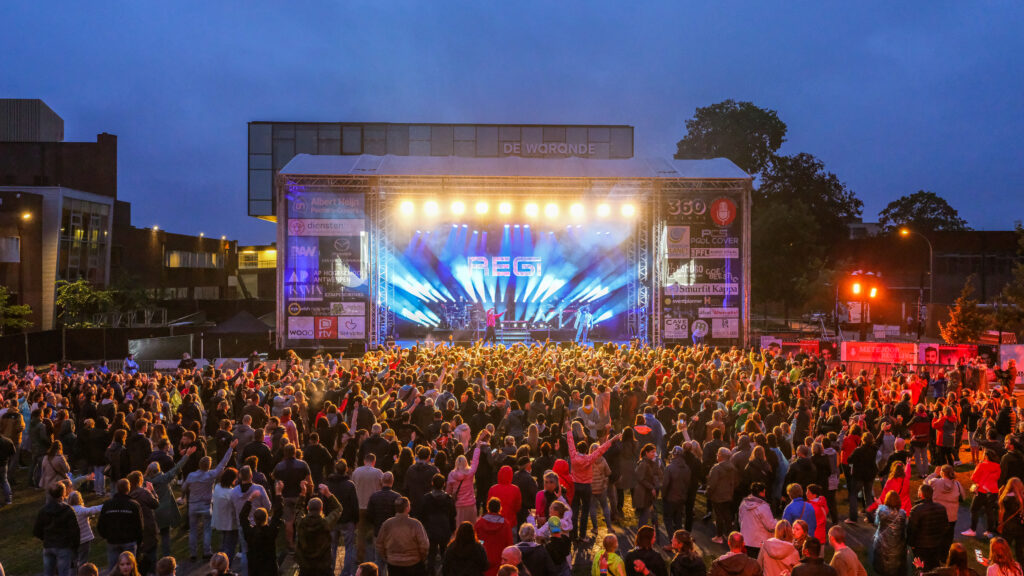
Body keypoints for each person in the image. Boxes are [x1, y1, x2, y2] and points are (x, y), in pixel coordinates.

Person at [181, 440, 236, 561]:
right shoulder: (211, 475)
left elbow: (184, 487)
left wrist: (184, 495)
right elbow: (223, 463)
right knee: (207, 529)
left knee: (193, 530)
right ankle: (207, 551)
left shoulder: (191, 476)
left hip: (193, 505)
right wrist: (230, 448)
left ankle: (193, 553)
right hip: (206, 505)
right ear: (209, 466)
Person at [295, 484, 343, 576]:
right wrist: (328, 494)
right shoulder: (326, 523)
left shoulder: (301, 523)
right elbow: (338, 509)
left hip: (305, 568)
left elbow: (297, 509)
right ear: (321, 509)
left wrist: (302, 494)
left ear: (308, 508)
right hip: (323, 568)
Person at [34, 482, 80, 576]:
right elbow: (75, 532)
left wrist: (46, 538)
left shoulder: (43, 510)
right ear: (63, 493)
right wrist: (74, 547)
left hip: (49, 545)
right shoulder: (68, 510)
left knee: (48, 573)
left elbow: (37, 530)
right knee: (64, 573)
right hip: (63, 546)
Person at [97, 478, 143, 572]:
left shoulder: (107, 504)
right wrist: (138, 541)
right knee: (129, 569)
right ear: (128, 489)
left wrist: (107, 536)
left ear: (117, 488)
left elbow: (101, 524)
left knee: (113, 570)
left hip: (113, 541)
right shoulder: (134, 505)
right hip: (129, 541)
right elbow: (139, 526)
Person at [377, 496, 430, 576]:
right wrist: (422, 558)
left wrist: (387, 557)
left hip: (393, 563)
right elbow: (424, 545)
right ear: (407, 508)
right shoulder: (415, 524)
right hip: (413, 562)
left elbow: (379, 544)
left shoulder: (387, 524)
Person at [238, 485, 284, 576]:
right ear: (267, 518)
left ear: (254, 519)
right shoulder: (270, 532)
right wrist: (278, 494)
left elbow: (242, 517)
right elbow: (278, 514)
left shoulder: (250, 532)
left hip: (254, 568)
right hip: (270, 568)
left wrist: (250, 499)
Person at [908, 483, 949, 571]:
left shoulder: (916, 510)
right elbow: (946, 526)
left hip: (921, 546)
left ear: (921, 494)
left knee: (921, 568)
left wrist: (911, 544)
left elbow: (912, 530)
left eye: (919, 491)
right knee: (934, 567)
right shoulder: (941, 508)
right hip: (936, 544)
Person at [421, 474, 456, 576]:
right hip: (445, 528)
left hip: (431, 529)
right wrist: (452, 528)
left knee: (431, 555)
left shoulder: (427, 498)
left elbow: (422, 514)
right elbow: (453, 514)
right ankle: (445, 572)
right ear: (444, 484)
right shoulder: (448, 499)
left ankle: (430, 573)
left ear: (432, 483)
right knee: (444, 554)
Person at [965, 449, 1001, 537]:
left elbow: (974, 478)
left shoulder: (982, 465)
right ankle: (989, 531)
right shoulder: (998, 466)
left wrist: (980, 482)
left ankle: (972, 530)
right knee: (989, 511)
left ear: (986, 456)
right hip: (993, 491)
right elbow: (997, 478)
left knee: (974, 509)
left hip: (982, 490)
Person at [870, 490, 907, 576]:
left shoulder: (881, 510)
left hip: (882, 545)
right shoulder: (902, 513)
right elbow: (903, 526)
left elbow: (876, 523)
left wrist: (879, 505)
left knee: (882, 569)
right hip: (898, 545)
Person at [706, 447, 737, 544]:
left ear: (721, 456)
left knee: (719, 516)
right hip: (728, 495)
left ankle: (719, 536)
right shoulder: (733, 468)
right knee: (727, 515)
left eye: (718, 454)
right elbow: (736, 482)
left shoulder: (717, 468)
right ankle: (728, 534)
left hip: (718, 496)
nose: (717, 456)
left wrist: (708, 493)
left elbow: (712, 484)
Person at [476, 498, 514, 576]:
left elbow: (476, 541)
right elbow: (509, 544)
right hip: (500, 561)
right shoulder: (505, 524)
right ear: (500, 508)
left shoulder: (480, 523)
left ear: (488, 508)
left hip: (483, 560)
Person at [738, 482, 776, 557]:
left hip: (745, 541)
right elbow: (771, 526)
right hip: (758, 543)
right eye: (764, 492)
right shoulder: (763, 506)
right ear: (761, 492)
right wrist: (778, 522)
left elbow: (740, 521)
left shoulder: (743, 504)